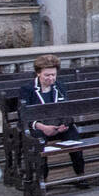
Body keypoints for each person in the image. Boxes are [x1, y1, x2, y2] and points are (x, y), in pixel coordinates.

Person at [20, 54, 87, 184]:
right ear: (38, 73)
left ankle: (80, 174)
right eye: (47, 75)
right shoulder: (27, 89)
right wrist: (43, 127)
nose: (51, 78)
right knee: (39, 142)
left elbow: (66, 108)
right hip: (39, 127)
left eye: (53, 75)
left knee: (74, 137)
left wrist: (64, 124)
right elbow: (24, 115)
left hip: (58, 125)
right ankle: (42, 179)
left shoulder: (59, 87)